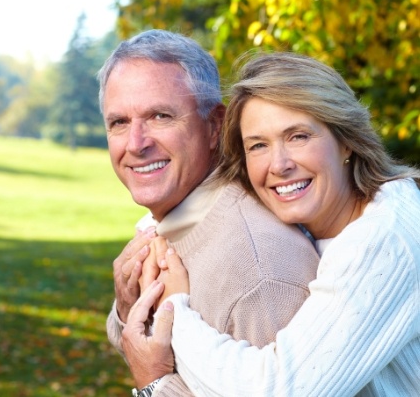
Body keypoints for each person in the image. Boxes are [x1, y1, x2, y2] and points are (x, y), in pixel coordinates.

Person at [124, 51, 420, 396]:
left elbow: (283, 390)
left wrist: (176, 313)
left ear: (347, 141)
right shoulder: (320, 224)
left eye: (298, 136)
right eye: (258, 145)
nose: (278, 165)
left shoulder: (386, 238)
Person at [98, 30, 320, 397]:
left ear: (215, 126)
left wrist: (154, 383)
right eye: (119, 122)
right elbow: (152, 351)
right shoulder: (177, 222)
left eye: (159, 116)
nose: (136, 144)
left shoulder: (261, 271)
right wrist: (127, 309)